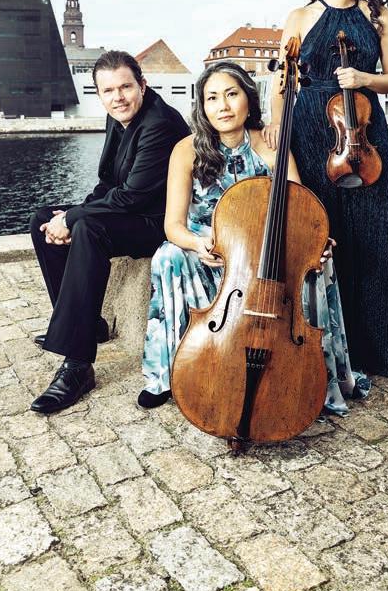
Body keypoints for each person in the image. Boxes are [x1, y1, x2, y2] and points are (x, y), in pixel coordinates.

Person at [139, 61, 369, 413]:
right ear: (202, 106)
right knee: (167, 256)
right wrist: (198, 244)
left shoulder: (271, 144)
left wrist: (316, 243)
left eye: (231, 94)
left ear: (249, 99)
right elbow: (173, 225)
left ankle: (311, 373)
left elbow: (301, 210)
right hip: (210, 253)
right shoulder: (186, 150)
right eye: (212, 98)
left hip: (264, 255)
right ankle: (167, 375)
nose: (223, 106)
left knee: (318, 263)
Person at [267, 0, 388, 380]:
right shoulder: (300, 16)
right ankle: (327, 349)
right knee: (322, 231)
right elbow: (282, 80)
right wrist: (277, 123)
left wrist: (364, 79)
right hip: (312, 129)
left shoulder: (379, 16)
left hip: (363, 133)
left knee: (373, 234)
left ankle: (382, 349)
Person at [29, 50, 189, 413]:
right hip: (131, 213)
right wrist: (66, 217)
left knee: (87, 228)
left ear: (142, 85)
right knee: (42, 220)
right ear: (99, 94)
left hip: (161, 221)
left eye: (125, 87)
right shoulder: (118, 117)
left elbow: (132, 195)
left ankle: (77, 365)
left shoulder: (160, 124)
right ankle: (89, 325)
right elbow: (107, 183)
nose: (118, 97)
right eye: (108, 91)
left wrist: (74, 218)